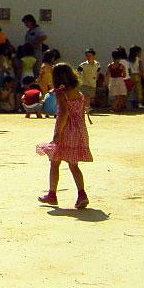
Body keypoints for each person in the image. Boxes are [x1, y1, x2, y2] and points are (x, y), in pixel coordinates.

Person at [36, 63, 92, 209]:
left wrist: (57, 134)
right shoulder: (78, 93)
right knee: (74, 165)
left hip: (66, 129)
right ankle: (82, 194)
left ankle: (52, 194)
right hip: (79, 130)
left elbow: (63, 114)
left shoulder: (61, 93)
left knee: (55, 161)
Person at [106, 49, 130, 114]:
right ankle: (115, 107)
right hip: (120, 80)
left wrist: (105, 82)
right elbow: (124, 75)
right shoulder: (121, 66)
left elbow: (107, 74)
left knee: (116, 95)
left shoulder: (110, 65)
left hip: (112, 80)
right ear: (119, 58)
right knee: (120, 95)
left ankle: (117, 107)